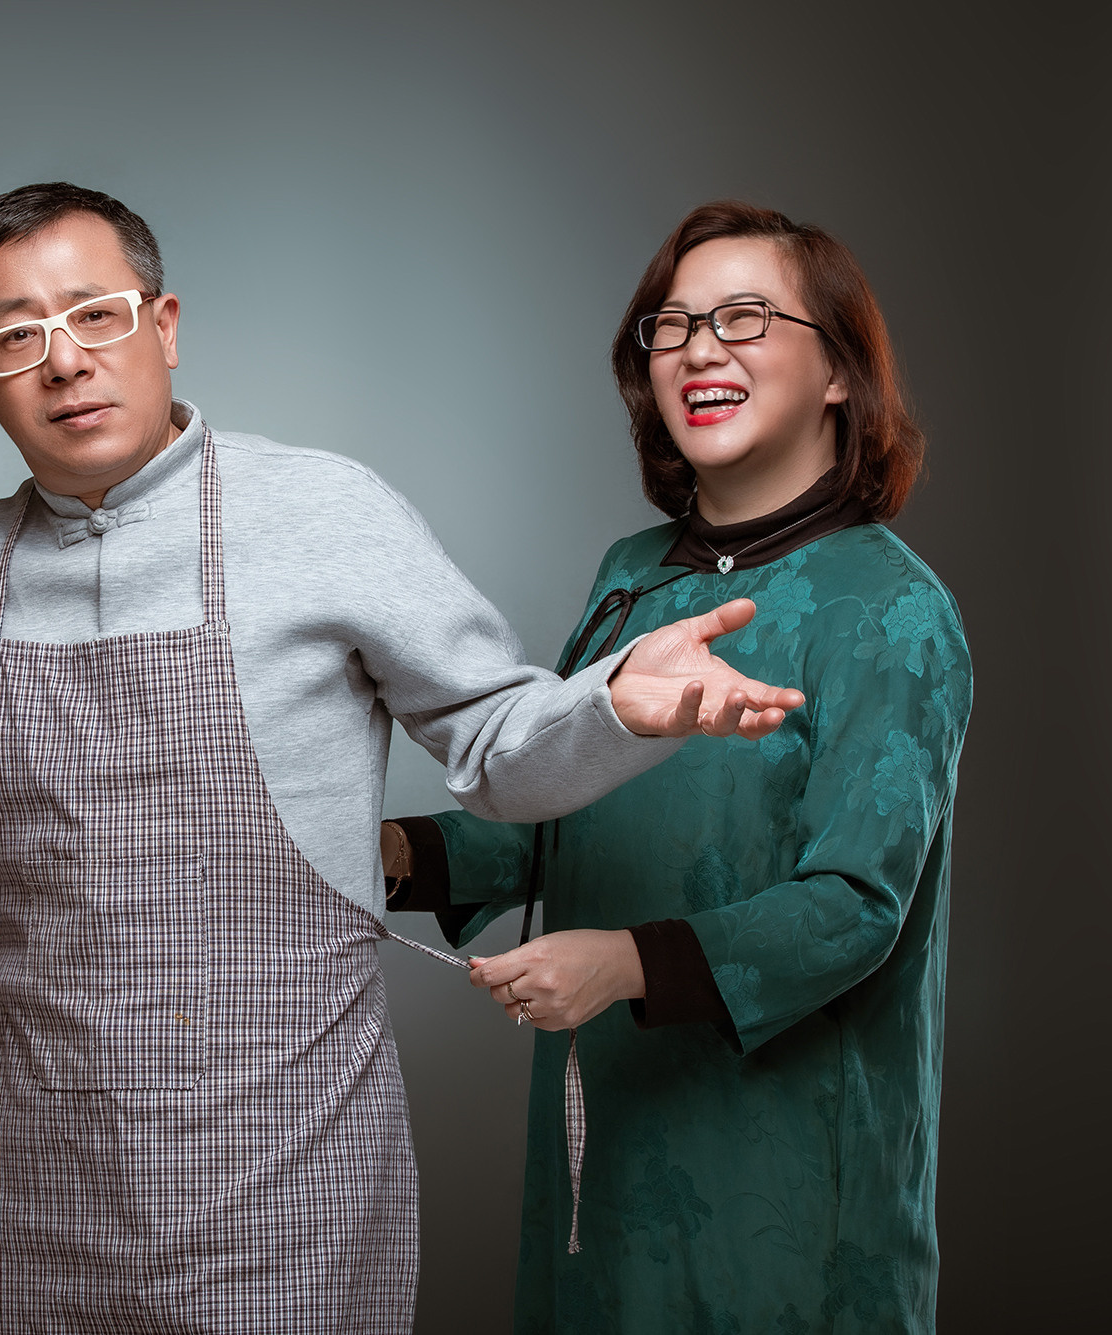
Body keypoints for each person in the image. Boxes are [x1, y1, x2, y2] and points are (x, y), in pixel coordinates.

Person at [0, 183, 803, 1333]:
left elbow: (494, 752)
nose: (65, 362)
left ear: (162, 325)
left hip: (287, 1169)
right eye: (14, 337)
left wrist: (618, 706)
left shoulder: (323, 512)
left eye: (96, 316)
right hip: (46, 1177)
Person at [382, 201, 971, 1332]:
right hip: (599, 1158)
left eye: (744, 318)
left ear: (839, 370)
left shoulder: (890, 609)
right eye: (672, 325)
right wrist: (387, 853)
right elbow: (558, 813)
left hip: (789, 1182)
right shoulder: (632, 574)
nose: (700, 347)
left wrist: (624, 965)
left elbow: (854, 906)